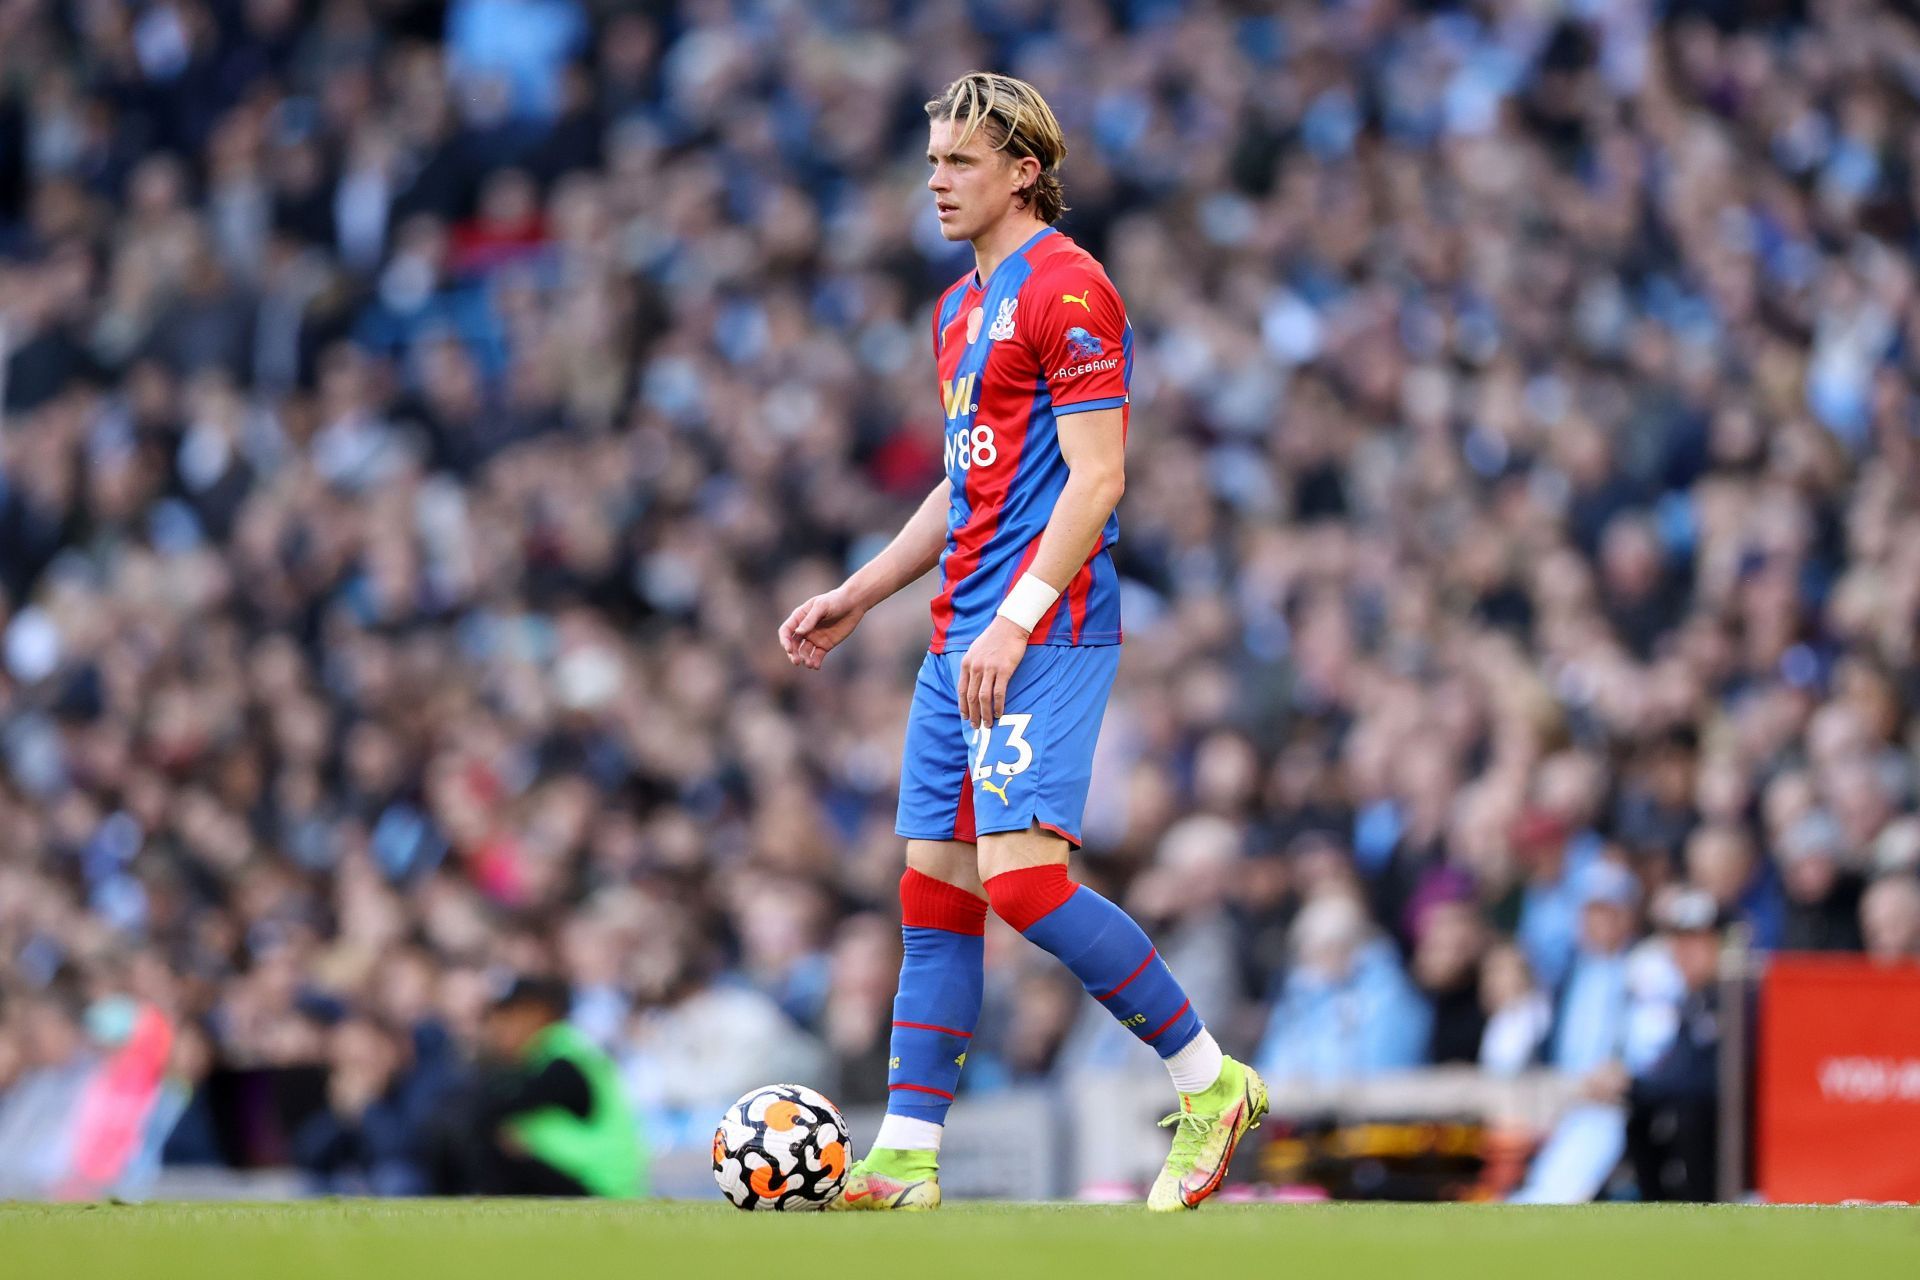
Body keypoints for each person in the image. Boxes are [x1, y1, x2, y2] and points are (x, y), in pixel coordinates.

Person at [777, 71, 1264, 1212]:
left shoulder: (1071, 289)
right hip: (960, 635)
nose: (935, 181)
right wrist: (862, 590)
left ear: (1025, 170)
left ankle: (1210, 1080)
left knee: (1026, 882)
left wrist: (1013, 619)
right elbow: (966, 485)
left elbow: (1099, 481)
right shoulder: (957, 310)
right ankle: (904, 1151)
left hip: (1042, 629)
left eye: (959, 162)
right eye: (933, 160)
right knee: (934, 888)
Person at [431, 976, 643, 1197]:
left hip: (601, 1187)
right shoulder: (557, 1055)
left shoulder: (563, 1062)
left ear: (537, 1013)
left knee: (490, 1138)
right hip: (591, 1181)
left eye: (508, 1017)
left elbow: (492, 1111)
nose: (497, 1029)